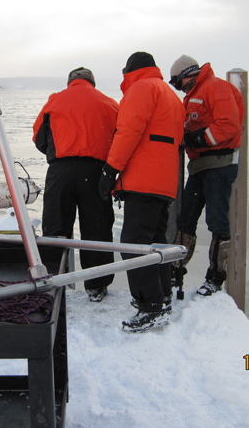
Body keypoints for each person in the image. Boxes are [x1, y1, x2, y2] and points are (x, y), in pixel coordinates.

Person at [99, 52, 186, 332]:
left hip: (143, 179)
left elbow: (129, 131)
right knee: (156, 243)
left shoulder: (142, 88)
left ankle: (151, 306)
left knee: (134, 243)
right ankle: (163, 297)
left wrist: (110, 170)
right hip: (165, 180)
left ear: (130, 70)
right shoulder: (170, 95)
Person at [33, 67, 119, 301]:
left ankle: (54, 283)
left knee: (55, 229)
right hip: (96, 172)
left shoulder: (55, 101)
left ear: (70, 82)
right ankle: (96, 285)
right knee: (97, 229)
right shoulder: (109, 103)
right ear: (92, 82)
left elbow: (39, 139)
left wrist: (61, 152)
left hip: (60, 171)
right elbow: (121, 138)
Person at [169, 55, 244, 296]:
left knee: (217, 221)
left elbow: (229, 125)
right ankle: (174, 271)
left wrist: (195, 139)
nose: (178, 89)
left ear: (185, 76)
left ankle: (216, 277)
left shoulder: (216, 88)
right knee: (185, 219)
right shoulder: (194, 96)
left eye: (177, 83)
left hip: (219, 165)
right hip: (200, 166)